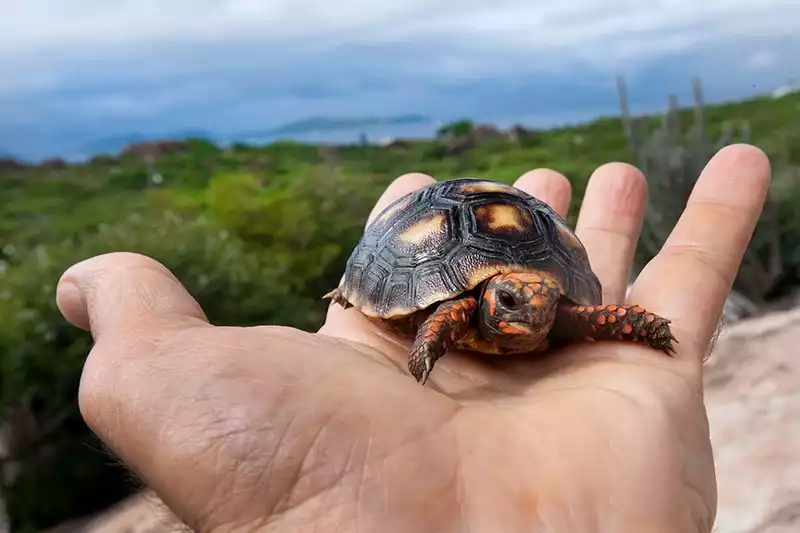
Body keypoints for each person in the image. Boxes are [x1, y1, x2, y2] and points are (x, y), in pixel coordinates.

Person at [55, 144, 770, 533]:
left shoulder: (552, 310)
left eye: (542, 302)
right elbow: (445, 314)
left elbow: (591, 317)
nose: (531, 311)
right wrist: (431, 339)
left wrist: (637, 323)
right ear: (490, 300)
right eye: (516, 301)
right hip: (432, 265)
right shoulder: (461, 309)